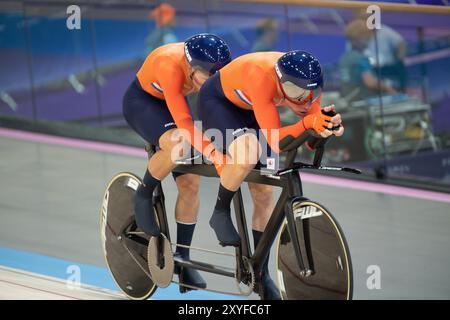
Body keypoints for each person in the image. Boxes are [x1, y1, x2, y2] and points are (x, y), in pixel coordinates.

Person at [197, 50, 344, 299]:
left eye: (311, 93)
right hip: (219, 103)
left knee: (264, 192)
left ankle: (259, 271)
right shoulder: (262, 77)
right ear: (280, 82)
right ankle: (219, 212)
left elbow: (308, 131)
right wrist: (309, 124)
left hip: (252, 105)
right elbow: (276, 141)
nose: (306, 100)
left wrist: (325, 128)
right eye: (297, 94)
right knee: (247, 152)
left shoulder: (304, 84)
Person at [122, 33, 232, 292]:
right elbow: (184, 123)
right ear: (193, 68)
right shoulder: (169, 65)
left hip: (175, 101)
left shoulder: (209, 67)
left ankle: (183, 258)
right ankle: (144, 193)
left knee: (191, 184)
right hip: (144, 103)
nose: (215, 81)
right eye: (210, 77)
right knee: (180, 143)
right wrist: (215, 155)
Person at [339, 19, 396, 103]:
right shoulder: (361, 59)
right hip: (363, 101)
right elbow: (370, 82)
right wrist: (387, 87)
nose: (369, 40)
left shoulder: (344, 58)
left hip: (349, 100)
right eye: (367, 38)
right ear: (359, 39)